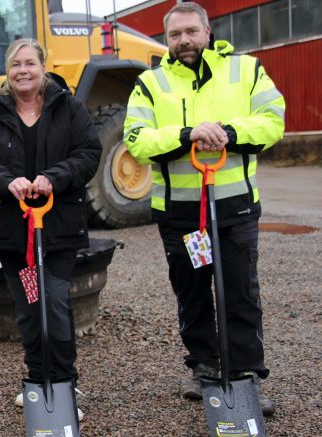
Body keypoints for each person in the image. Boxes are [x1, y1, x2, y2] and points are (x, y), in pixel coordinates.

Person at [123, 2, 284, 417]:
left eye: (191, 32)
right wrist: (186, 134)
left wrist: (227, 133)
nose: (184, 41)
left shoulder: (246, 71)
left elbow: (272, 122)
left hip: (235, 207)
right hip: (180, 212)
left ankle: (246, 374)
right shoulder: (150, 83)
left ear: (207, 32)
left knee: (240, 293)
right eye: (175, 35)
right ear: (166, 39)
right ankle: (205, 367)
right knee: (192, 295)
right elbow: (137, 139)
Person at [0, 38, 101, 417]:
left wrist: (53, 178)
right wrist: (6, 180)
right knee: (28, 307)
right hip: (14, 232)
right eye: (15, 65)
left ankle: (63, 383)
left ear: (43, 66)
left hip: (57, 227)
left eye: (29, 63)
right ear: (8, 72)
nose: (22, 71)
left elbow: (89, 153)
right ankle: (37, 379)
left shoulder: (68, 107)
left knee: (54, 302)